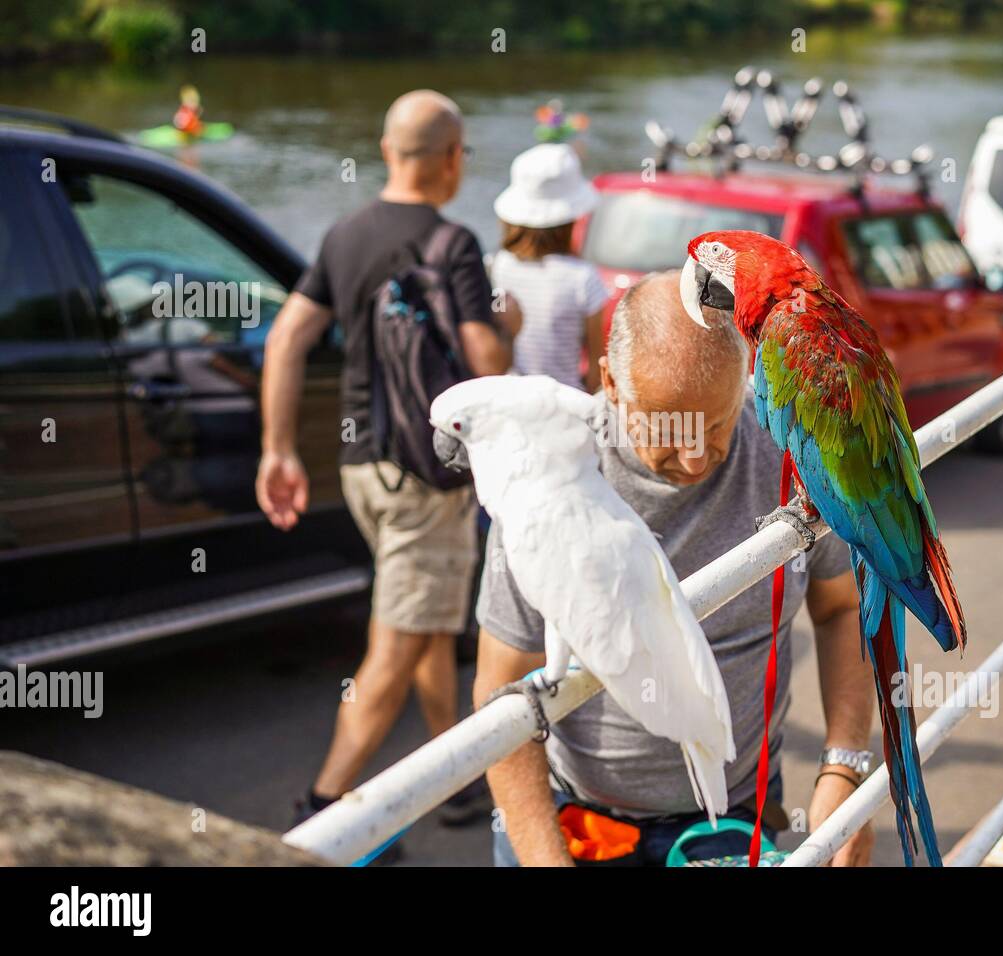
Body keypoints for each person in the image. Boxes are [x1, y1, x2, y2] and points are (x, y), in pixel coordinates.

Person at [473, 271, 877, 866]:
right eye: (666, 427)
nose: (693, 456)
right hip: (573, 820)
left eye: (715, 425)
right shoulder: (547, 481)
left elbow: (842, 608)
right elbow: (500, 688)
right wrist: (542, 856)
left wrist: (845, 770)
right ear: (609, 383)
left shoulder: (792, 458)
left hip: (733, 817)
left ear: (746, 378)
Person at [257, 90, 517, 843]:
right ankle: (320, 816)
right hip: (422, 481)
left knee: (429, 627)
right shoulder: (453, 243)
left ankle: (460, 781)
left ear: (383, 148)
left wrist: (278, 448)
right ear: (452, 158)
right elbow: (488, 363)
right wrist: (508, 323)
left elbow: (285, 340)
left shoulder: (344, 235)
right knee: (398, 647)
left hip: (360, 471)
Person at [490, 143, 609, 392]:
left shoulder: (499, 265)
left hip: (512, 395)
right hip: (564, 402)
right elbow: (597, 365)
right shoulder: (584, 278)